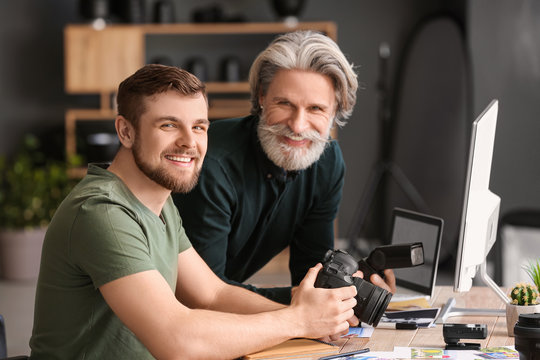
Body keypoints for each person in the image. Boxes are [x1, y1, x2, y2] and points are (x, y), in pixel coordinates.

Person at [29, 64, 358, 360]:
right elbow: (177, 340)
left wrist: (310, 318)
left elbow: (213, 294)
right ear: (126, 131)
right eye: (169, 125)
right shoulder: (102, 213)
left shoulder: (158, 203)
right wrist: (296, 320)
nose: (189, 142)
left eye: (199, 127)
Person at [173, 31, 396, 305]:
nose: (298, 125)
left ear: (336, 110)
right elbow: (201, 295)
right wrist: (305, 303)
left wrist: (348, 291)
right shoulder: (214, 164)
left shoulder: (326, 163)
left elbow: (311, 274)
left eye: (315, 108)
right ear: (262, 96)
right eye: (285, 103)